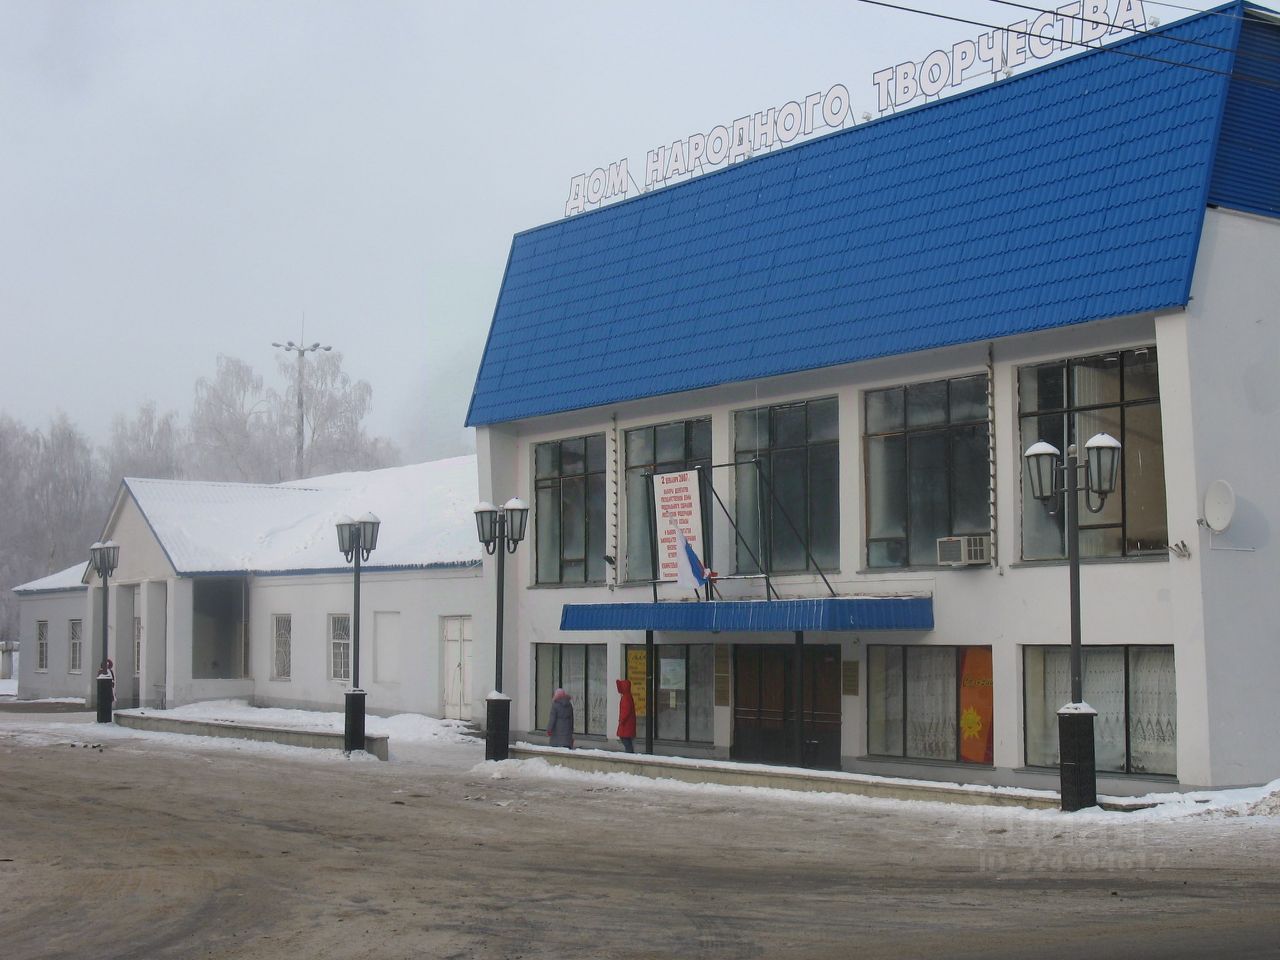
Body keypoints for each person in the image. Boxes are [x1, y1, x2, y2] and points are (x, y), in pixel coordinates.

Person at [616, 678, 636, 753]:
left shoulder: (625, 698)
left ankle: (629, 754)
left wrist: (621, 720)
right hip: (628, 724)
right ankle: (629, 753)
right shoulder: (628, 696)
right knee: (626, 740)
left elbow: (625, 711)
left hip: (626, 724)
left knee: (625, 739)